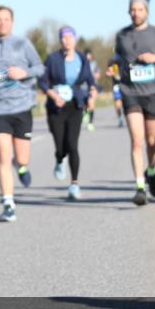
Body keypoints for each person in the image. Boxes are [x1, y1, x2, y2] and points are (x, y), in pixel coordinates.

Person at [0, 5, 45, 222]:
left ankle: (23, 166)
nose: (2, 23)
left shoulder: (23, 44)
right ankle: (8, 202)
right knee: (3, 155)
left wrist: (24, 72)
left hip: (22, 107)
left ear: (12, 22)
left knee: (22, 157)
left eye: (6, 19)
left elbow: (40, 68)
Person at [114, 0, 155, 206]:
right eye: (132, 9)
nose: (135, 13)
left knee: (151, 141)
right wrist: (113, 69)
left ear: (146, 11)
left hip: (154, 91)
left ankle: (151, 171)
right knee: (136, 140)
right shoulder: (121, 35)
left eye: (139, 9)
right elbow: (117, 59)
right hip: (130, 92)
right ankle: (140, 187)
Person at [40, 26, 99, 200]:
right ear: (60, 40)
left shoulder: (82, 58)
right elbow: (42, 81)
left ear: (75, 39)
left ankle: (74, 184)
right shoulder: (52, 59)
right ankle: (59, 160)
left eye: (70, 37)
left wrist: (93, 92)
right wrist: (52, 94)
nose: (67, 40)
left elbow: (90, 80)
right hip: (56, 107)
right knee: (60, 146)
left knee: (72, 144)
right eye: (63, 38)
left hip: (75, 105)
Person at [82, 49, 100, 131]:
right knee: (84, 105)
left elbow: (98, 74)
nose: (88, 57)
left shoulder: (94, 64)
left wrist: (95, 76)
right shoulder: (80, 63)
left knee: (91, 104)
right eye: (87, 55)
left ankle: (90, 123)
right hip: (82, 87)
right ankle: (85, 113)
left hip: (92, 87)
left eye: (90, 55)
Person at [105, 59, 125, 127]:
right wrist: (110, 73)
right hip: (116, 86)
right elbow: (107, 73)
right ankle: (120, 119)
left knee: (126, 103)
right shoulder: (112, 62)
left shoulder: (125, 59)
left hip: (126, 85)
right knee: (118, 104)